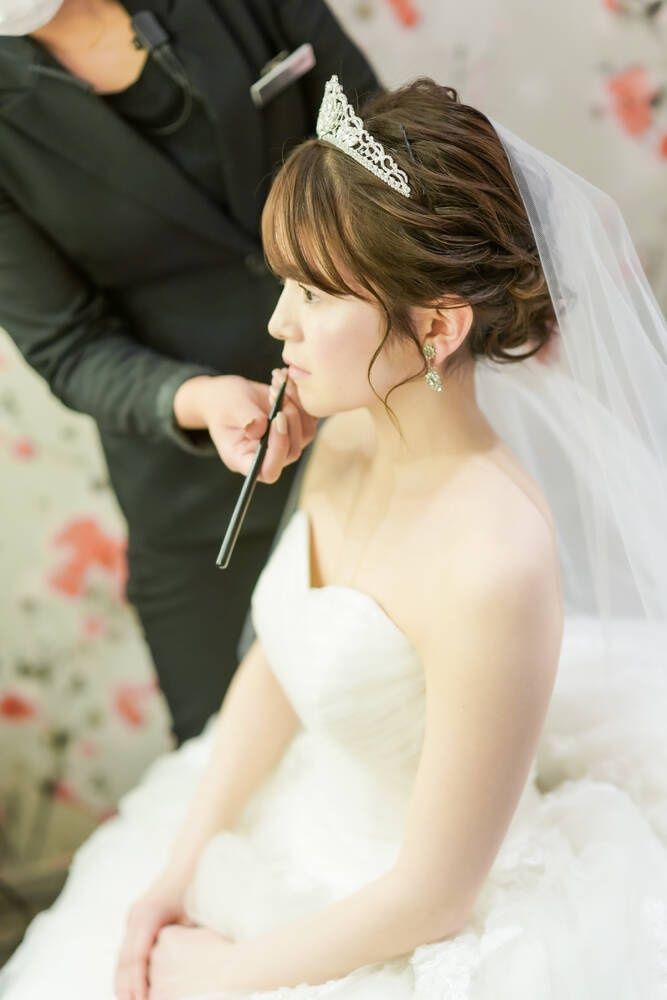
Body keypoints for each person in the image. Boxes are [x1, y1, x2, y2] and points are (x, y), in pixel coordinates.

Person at [3, 74, 667, 1000]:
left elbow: (435, 895)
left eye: (313, 293)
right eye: (287, 283)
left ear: (435, 328)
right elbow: (284, 657)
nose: (278, 322)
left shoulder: (495, 558)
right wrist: (176, 872)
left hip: (410, 913)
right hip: (300, 822)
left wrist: (226, 975)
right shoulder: (347, 432)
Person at [0, 0, 380, 744]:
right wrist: (197, 399)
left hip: (381, 422)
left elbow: (379, 144)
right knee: (224, 757)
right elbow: (68, 345)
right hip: (200, 503)